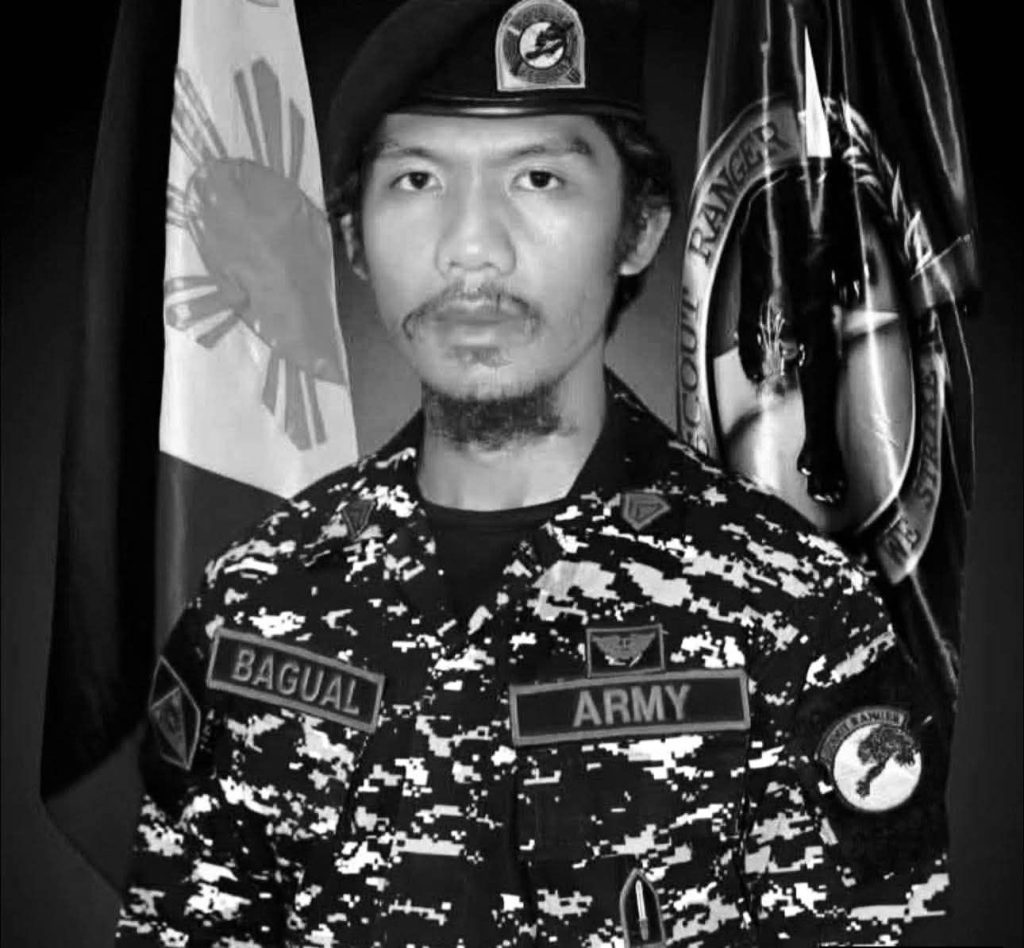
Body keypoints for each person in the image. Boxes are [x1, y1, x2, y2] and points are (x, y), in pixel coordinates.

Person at [115, 0, 950, 944]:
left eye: (539, 177)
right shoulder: (255, 600)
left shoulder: (796, 611)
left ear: (638, 230)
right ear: (351, 237)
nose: (472, 245)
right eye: (417, 178)